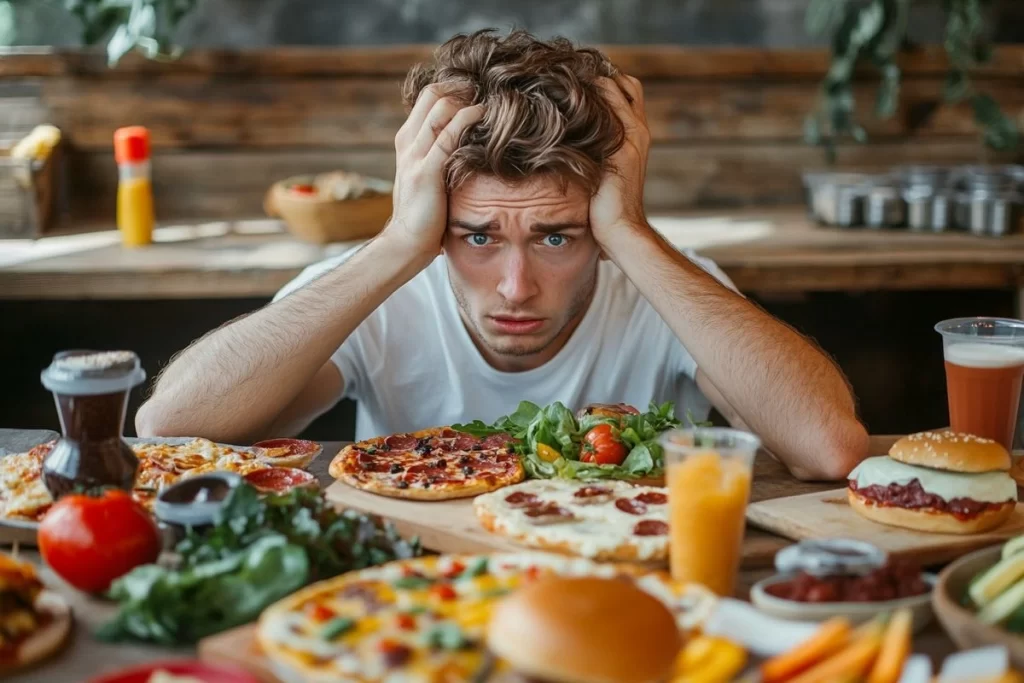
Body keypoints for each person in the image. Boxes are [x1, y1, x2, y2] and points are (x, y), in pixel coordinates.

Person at [136, 30, 869, 480]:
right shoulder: (380, 283)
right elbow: (170, 426)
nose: (516, 287)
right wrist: (398, 242)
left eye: (557, 236)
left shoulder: (664, 284)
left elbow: (830, 449)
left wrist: (630, 235)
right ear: (437, 223)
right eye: (478, 237)